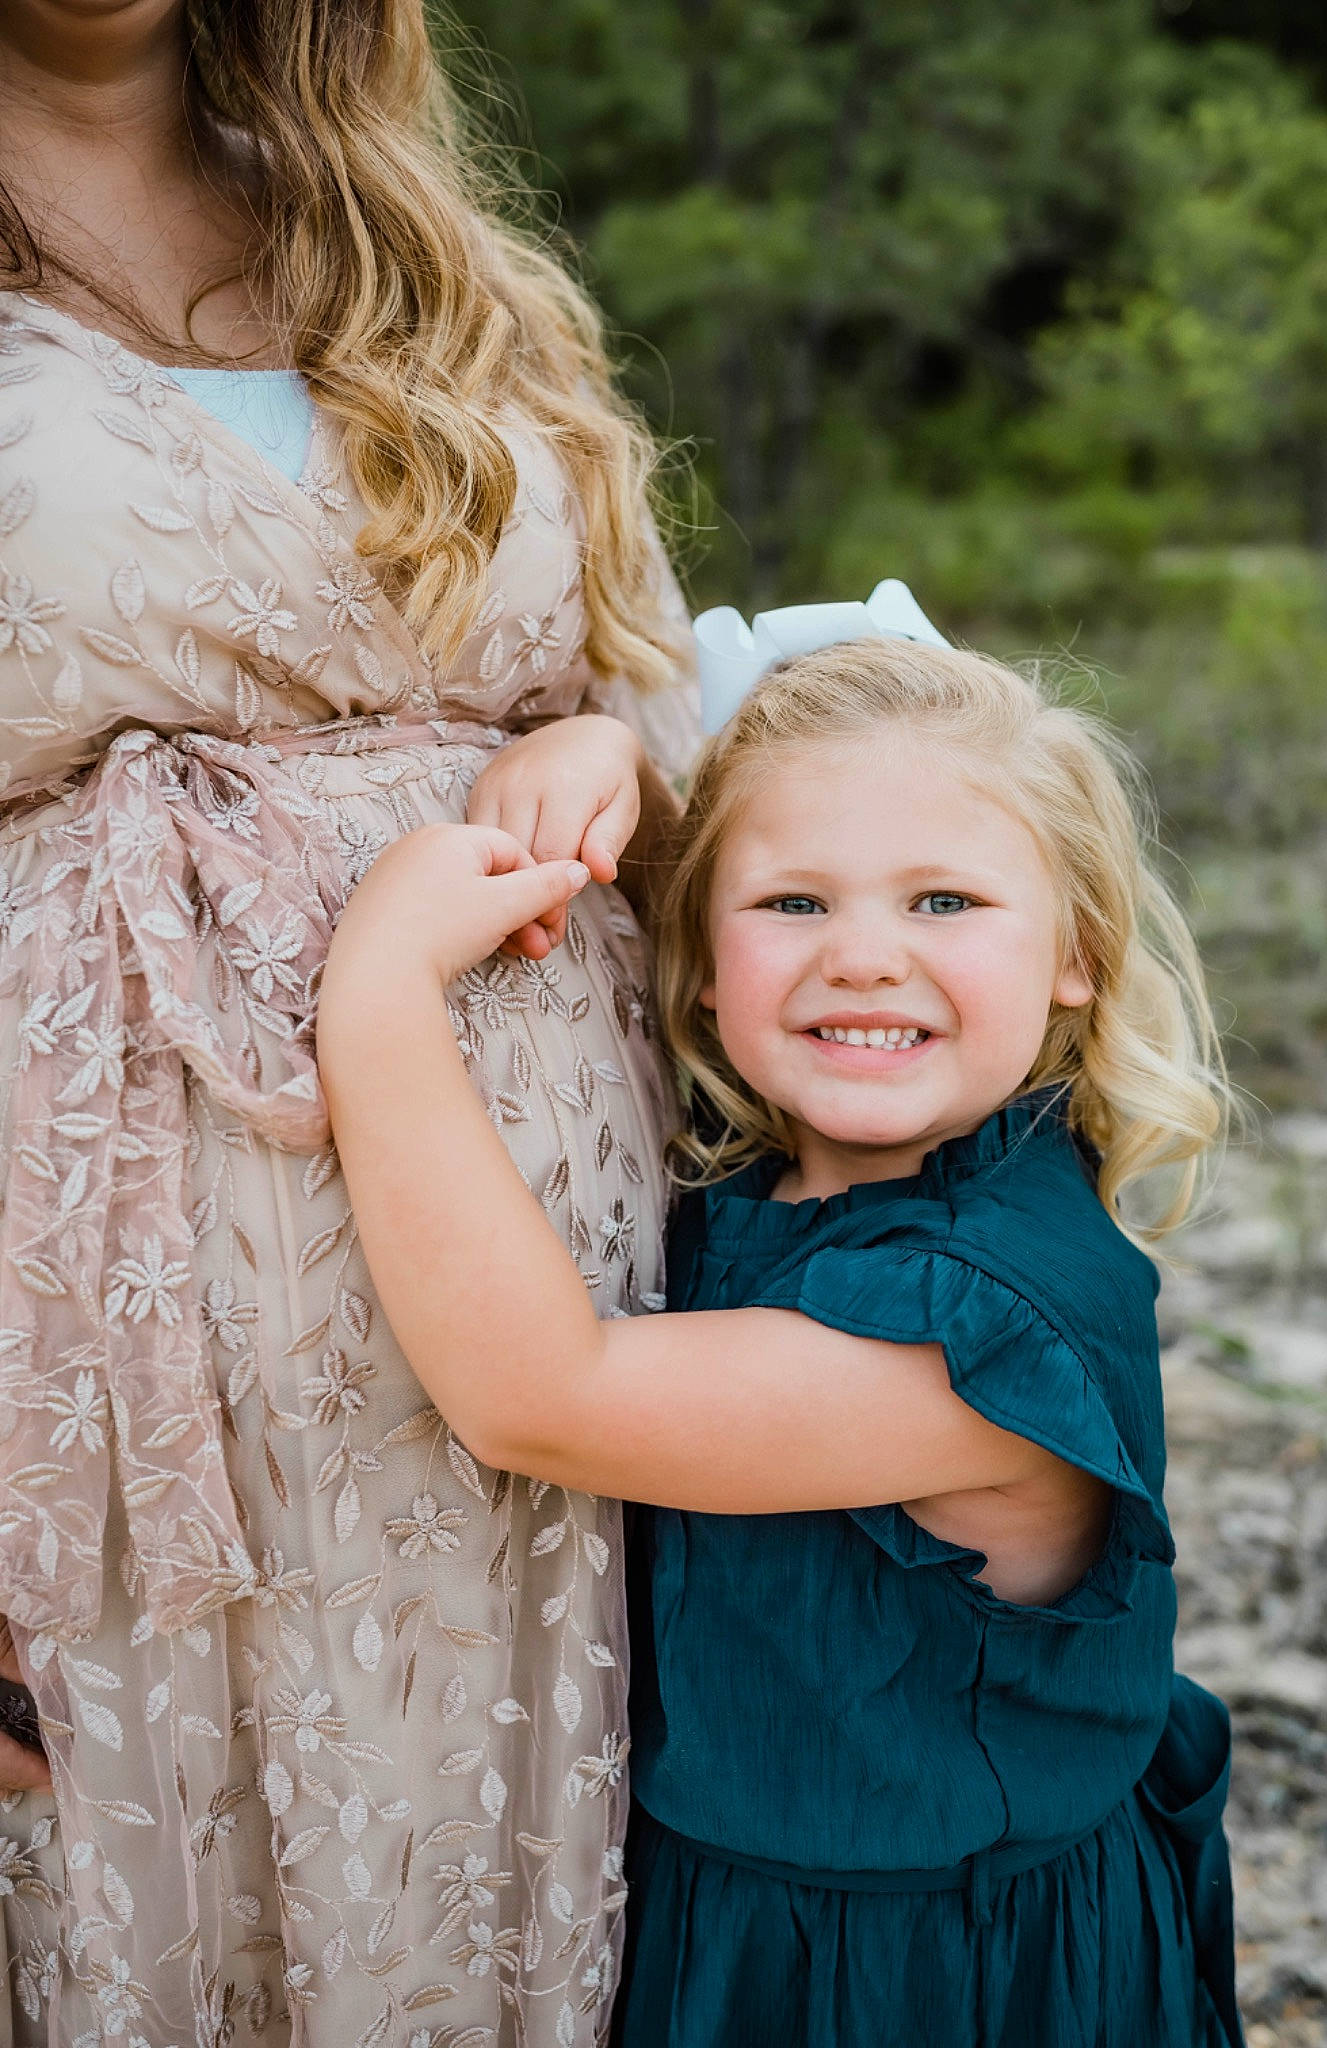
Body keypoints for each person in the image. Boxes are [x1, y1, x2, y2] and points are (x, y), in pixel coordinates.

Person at [0, 0, 696, 2038]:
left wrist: (615, 758)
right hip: (105, 1357)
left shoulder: (411, 240)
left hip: (538, 1327)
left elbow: (628, 653)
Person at [318, 624, 1246, 2048]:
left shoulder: (981, 1326)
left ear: (1078, 953)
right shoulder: (768, 1160)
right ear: (697, 962)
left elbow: (540, 1398)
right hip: (733, 1910)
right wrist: (613, 762)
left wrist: (378, 997)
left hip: (930, 1974)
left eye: (944, 901)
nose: (864, 958)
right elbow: (703, 871)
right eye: (795, 904)